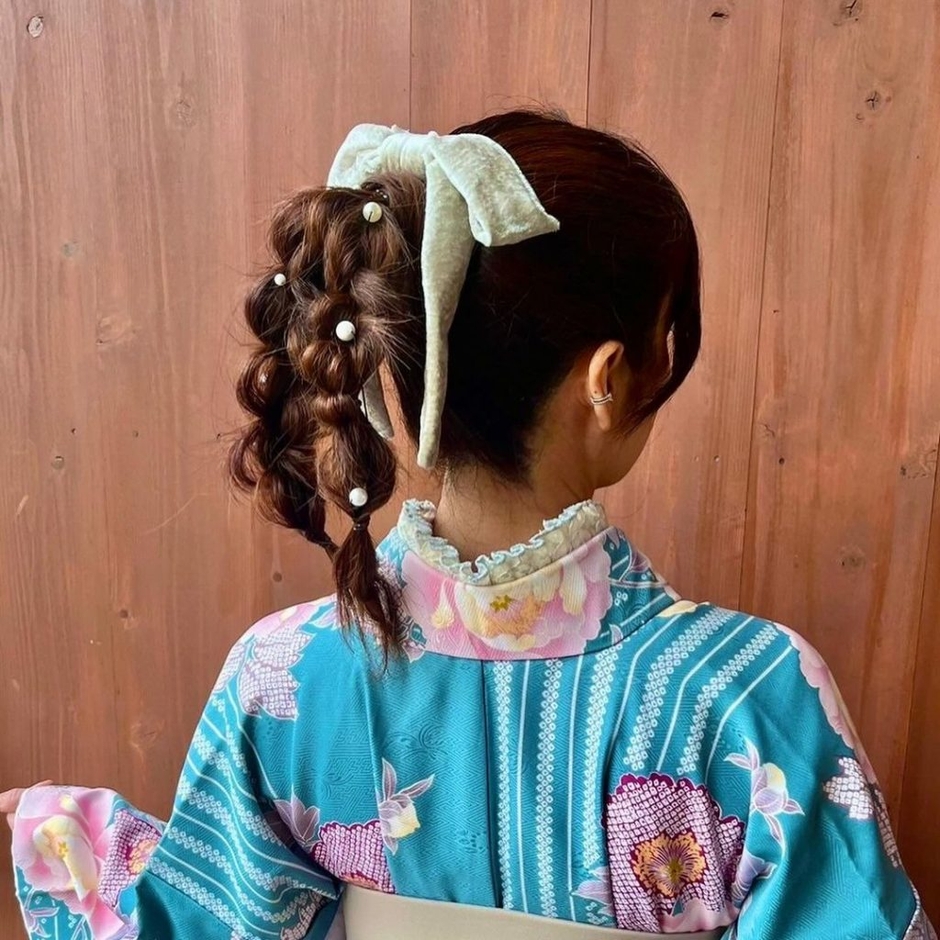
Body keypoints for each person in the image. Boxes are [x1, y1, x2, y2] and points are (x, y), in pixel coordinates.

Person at [2, 111, 935, 940]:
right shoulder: (748, 696)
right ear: (609, 379)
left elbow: (203, 918)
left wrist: (61, 841)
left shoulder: (280, 679)